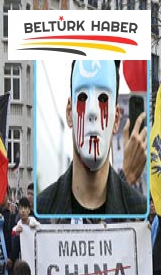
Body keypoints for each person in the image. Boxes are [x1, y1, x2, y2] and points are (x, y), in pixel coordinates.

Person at [37, 60, 146, 216]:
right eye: (82, 97)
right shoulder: (41, 210)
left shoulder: (139, 210)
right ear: (69, 113)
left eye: (103, 99)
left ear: (116, 120)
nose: (92, 112)